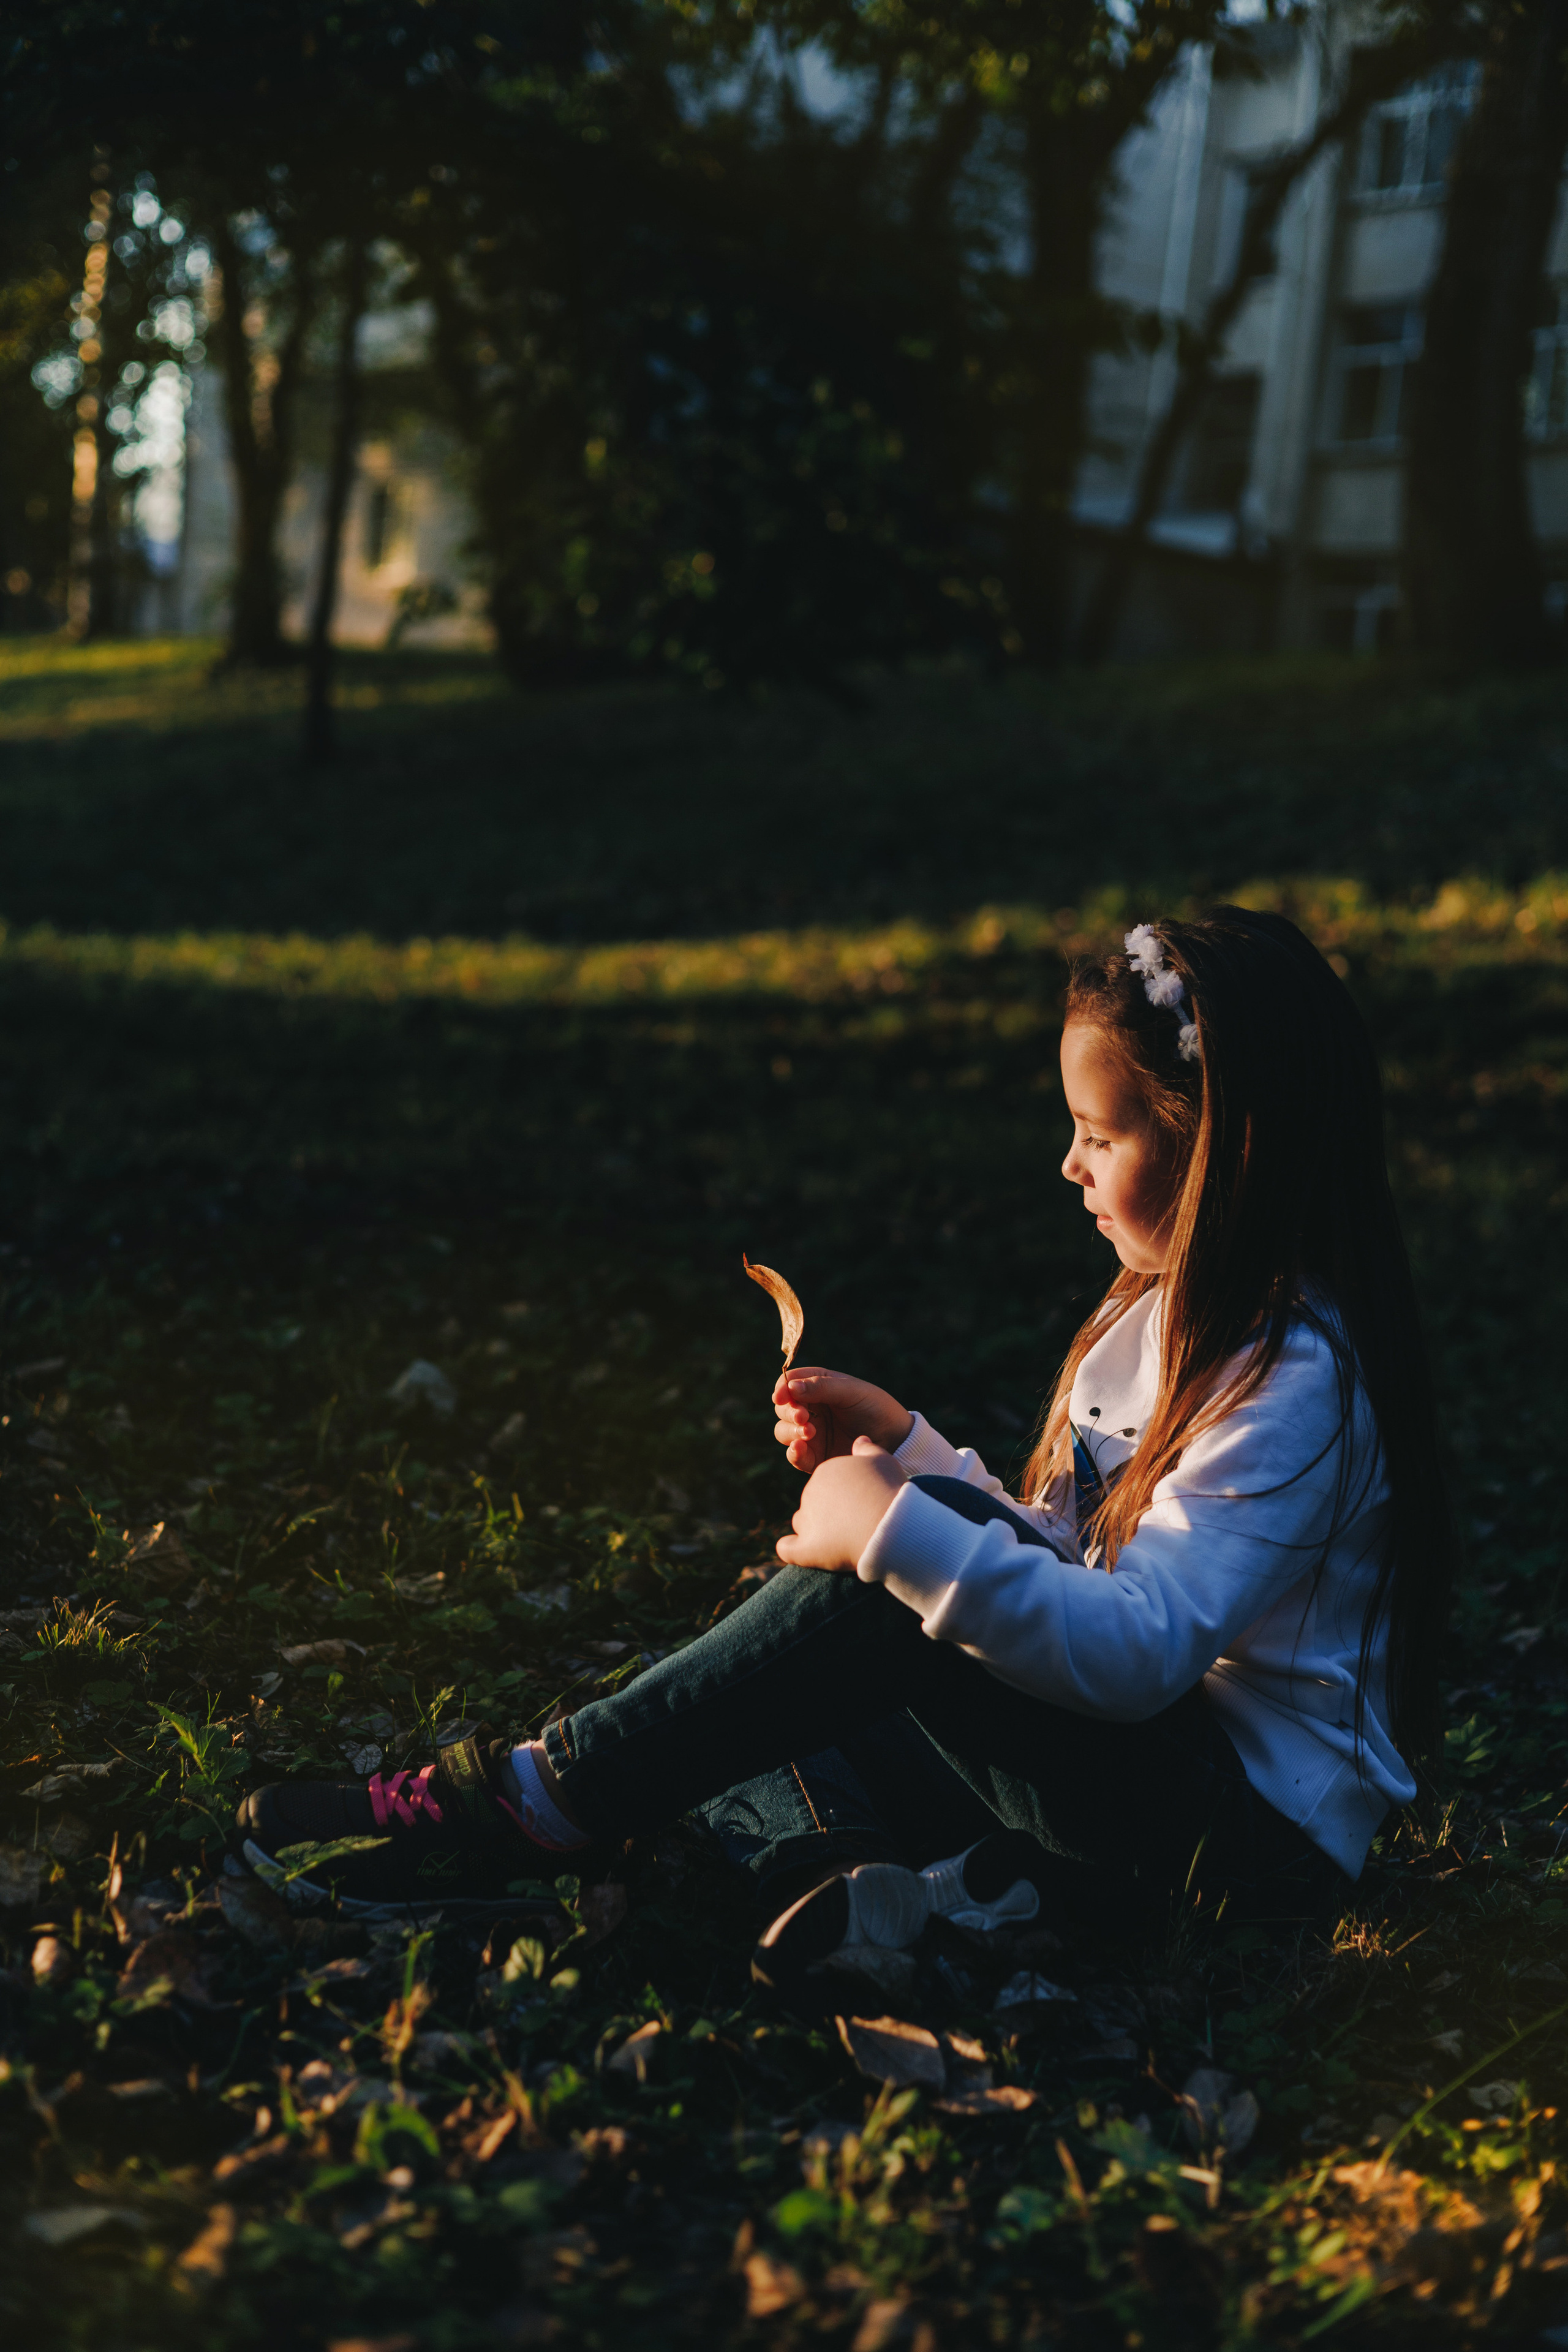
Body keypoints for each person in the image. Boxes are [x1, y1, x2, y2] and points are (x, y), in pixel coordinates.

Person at [233, 908, 1456, 1980]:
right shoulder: (1149, 1309)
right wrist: (911, 1453)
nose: (1069, 1163)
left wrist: (893, 1528)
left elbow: (1136, 1650)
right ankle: (863, 1890)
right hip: (1125, 1785)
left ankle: (530, 1807)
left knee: (875, 1601)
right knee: (761, 1677)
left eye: (1103, 1132)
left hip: (1246, 1845)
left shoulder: (1297, 1377)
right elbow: (1072, 1566)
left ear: (1223, 1149)